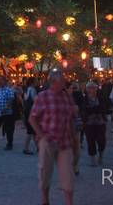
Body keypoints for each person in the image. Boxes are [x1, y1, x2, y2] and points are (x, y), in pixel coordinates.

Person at [29, 70, 75, 205]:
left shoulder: (67, 97)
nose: (65, 82)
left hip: (65, 141)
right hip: (48, 141)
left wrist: (73, 136)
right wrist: (42, 136)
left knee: (68, 175)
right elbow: (32, 118)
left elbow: (71, 117)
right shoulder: (42, 97)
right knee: (45, 172)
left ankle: (69, 202)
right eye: (63, 80)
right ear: (53, 82)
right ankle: (45, 200)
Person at [82, 81, 106, 166]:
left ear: (96, 89)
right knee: (90, 141)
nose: (91, 90)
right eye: (89, 88)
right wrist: (95, 109)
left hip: (100, 122)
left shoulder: (100, 97)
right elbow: (85, 109)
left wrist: (92, 109)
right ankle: (93, 159)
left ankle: (101, 156)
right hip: (89, 123)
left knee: (101, 140)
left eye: (93, 88)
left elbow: (102, 108)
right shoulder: (85, 98)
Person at [23, 78, 38, 155]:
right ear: (32, 82)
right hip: (31, 112)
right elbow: (36, 100)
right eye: (35, 81)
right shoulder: (32, 90)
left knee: (32, 131)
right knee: (31, 131)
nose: (37, 82)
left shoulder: (26, 90)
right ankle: (26, 148)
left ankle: (38, 147)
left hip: (26, 112)